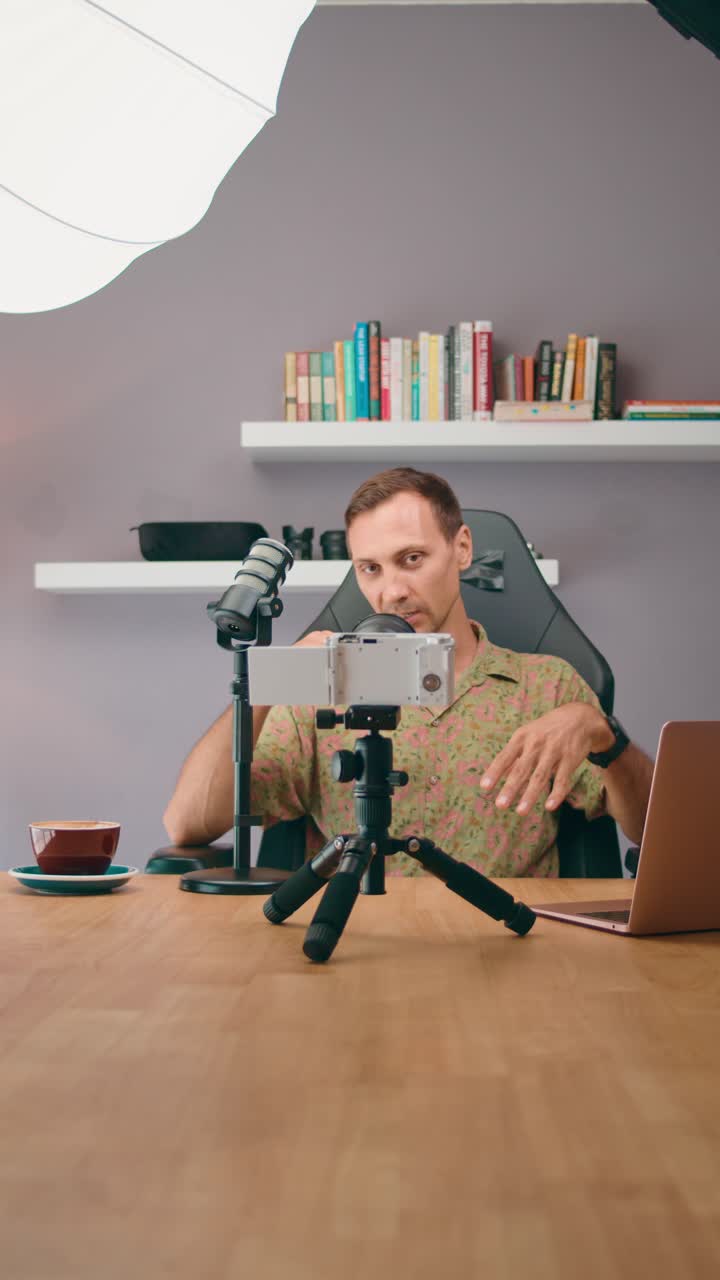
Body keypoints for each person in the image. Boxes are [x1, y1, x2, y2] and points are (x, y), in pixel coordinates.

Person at [163, 468, 654, 877]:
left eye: (411, 559)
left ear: (461, 549)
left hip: (507, 945)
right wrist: (271, 681)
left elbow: (657, 830)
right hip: (352, 946)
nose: (391, 591)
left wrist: (601, 732)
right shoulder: (318, 689)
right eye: (370, 568)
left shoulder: (548, 686)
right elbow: (187, 824)